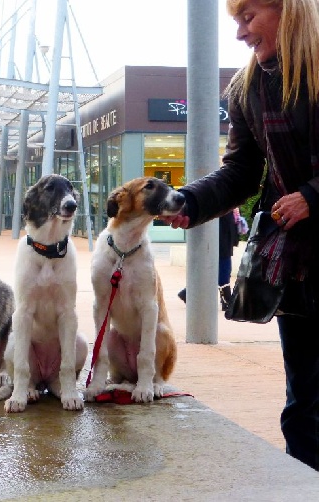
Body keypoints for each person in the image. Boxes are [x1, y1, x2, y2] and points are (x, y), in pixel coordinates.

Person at [164, 0, 319, 470]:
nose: (239, 34)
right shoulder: (247, 87)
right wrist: (189, 202)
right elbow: (240, 174)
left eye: (248, 17)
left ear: (287, 10)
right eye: (235, 21)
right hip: (299, 267)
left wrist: (313, 194)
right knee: (304, 409)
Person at [177, 211, 240, 310]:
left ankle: (188, 293)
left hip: (222, 233)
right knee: (223, 266)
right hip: (220, 234)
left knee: (216, 267)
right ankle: (226, 299)